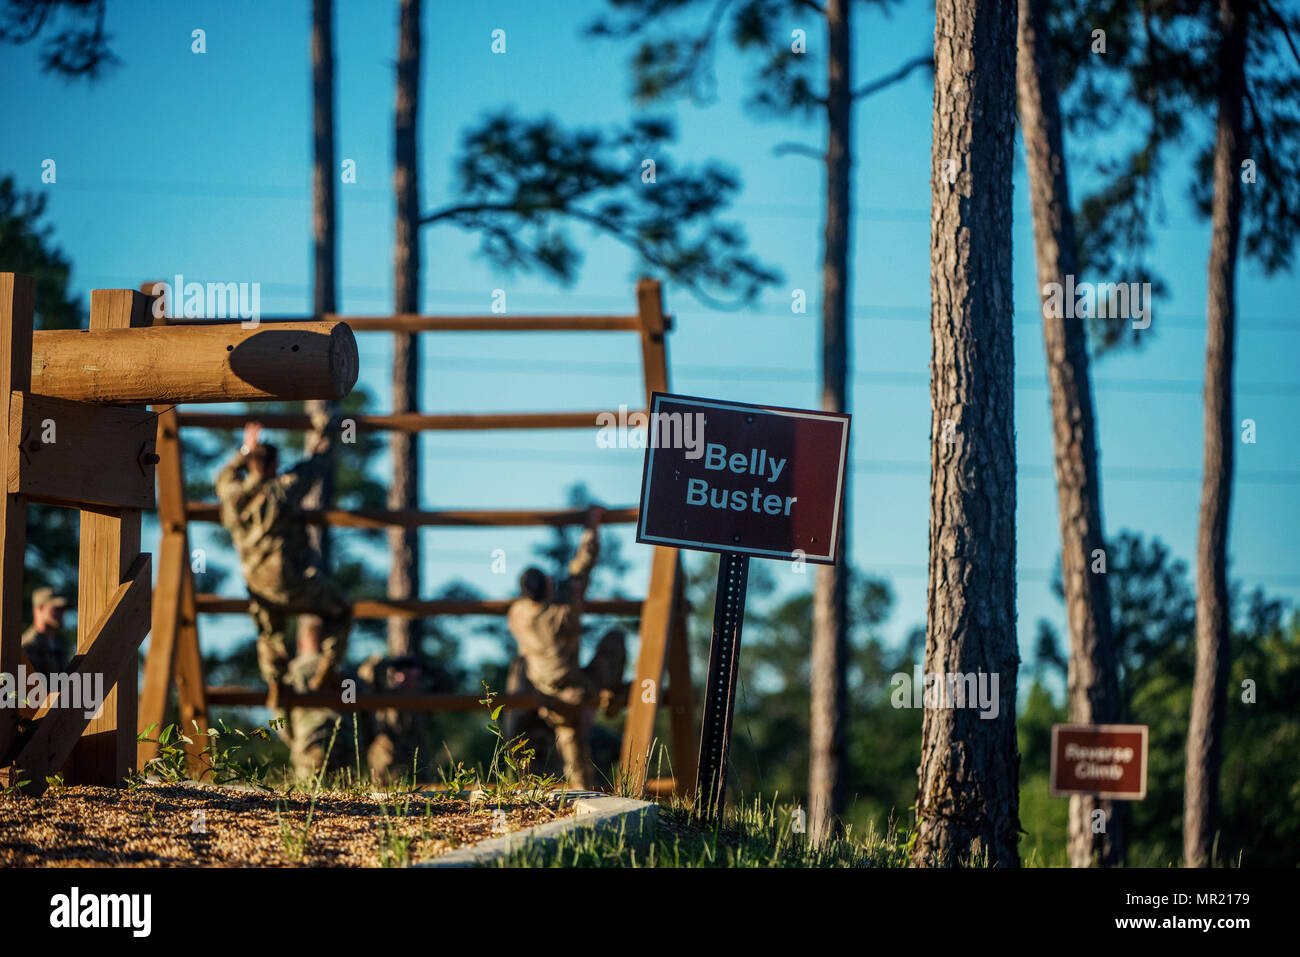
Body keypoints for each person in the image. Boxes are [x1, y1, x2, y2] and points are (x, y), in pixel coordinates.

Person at [215, 415, 351, 707]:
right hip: (292, 581)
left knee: (270, 634)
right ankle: (328, 666)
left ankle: (276, 682)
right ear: (275, 466)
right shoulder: (282, 490)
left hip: (257, 584)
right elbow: (317, 464)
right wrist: (328, 429)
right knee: (340, 609)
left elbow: (224, 477)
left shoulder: (232, 496)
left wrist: (244, 451)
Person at [506, 505, 627, 790]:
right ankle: (614, 696)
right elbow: (582, 566)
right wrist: (592, 525)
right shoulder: (562, 612)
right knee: (616, 638)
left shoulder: (517, 614)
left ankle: (581, 795)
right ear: (548, 589)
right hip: (577, 687)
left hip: (545, 693)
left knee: (572, 739)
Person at [284, 616, 352, 780]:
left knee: (307, 800)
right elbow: (359, 711)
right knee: (349, 795)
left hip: (308, 744)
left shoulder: (294, 672)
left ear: (301, 641)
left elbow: (281, 715)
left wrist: (293, 741)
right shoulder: (348, 673)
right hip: (346, 743)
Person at [22, 587, 72, 675]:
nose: (61, 613)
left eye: (63, 609)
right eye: (56, 608)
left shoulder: (58, 646)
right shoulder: (27, 645)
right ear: (39, 608)